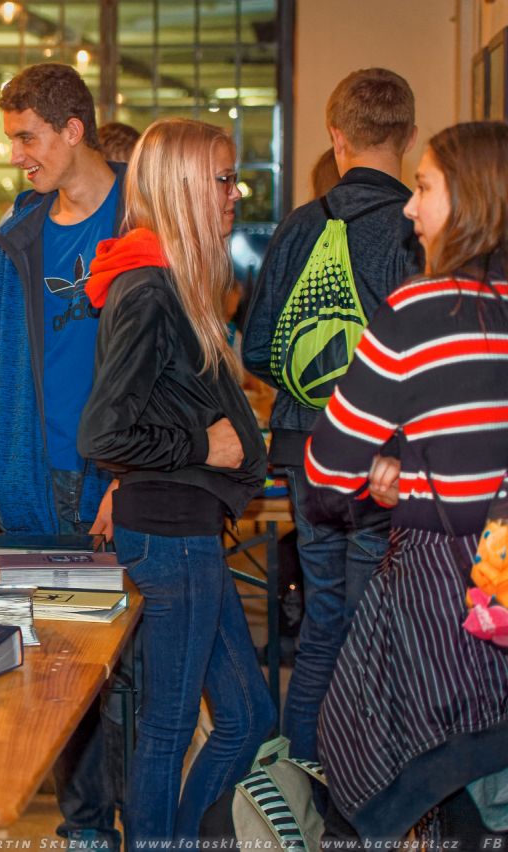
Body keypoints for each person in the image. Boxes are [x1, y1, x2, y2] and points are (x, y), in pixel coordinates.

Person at [304, 121, 508, 845]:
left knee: (394, 760)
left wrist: (392, 478)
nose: (410, 208)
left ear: (472, 198)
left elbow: (327, 466)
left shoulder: (422, 310)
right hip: (499, 583)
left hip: (443, 597)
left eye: (424, 188)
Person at [78, 117, 275, 843]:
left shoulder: (173, 285)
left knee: (248, 717)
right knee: (167, 729)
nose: (234, 194)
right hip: (170, 538)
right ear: (184, 187)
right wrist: (202, 445)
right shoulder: (150, 292)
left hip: (186, 531)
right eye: (222, 180)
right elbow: (103, 432)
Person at [0, 61, 124, 847]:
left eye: (27, 138)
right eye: (12, 139)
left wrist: (135, 475)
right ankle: (84, 829)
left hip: (119, 482)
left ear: (73, 129)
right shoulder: (15, 240)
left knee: (132, 675)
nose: (16, 155)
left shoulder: (143, 220)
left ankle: (141, 825)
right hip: (34, 481)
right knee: (55, 675)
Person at [241, 67, 422, 762]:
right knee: (378, 628)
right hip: (387, 460)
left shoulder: (300, 226)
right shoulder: (417, 229)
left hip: (306, 452)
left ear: (335, 135)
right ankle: (366, 785)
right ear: (409, 136)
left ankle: (301, 779)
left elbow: (259, 347)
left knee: (322, 623)